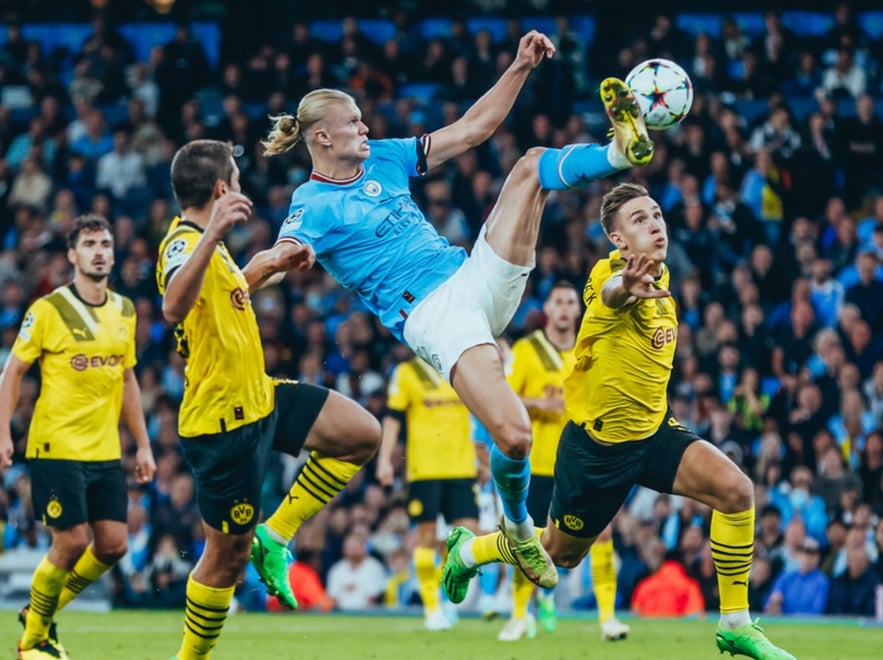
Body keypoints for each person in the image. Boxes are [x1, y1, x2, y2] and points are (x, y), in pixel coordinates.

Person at [263, 30, 654, 589]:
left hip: (471, 274)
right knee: (516, 437)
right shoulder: (313, 204)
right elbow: (280, 253)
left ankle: (619, 152)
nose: (366, 128)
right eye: (354, 122)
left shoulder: (387, 159)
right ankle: (516, 533)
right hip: (434, 316)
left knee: (530, 166)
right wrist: (249, 272)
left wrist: (519, 65)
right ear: (322, 136)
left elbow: (473, 129)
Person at [439, 184, 797, 660]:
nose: (655, 224)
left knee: (736, 491)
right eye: (640, 220)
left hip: (654, 434)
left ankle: (735, 622)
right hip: (597, 449)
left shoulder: (665, 278)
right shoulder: (609, 276)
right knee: (557, 560)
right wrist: (627, 288)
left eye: (656, 214)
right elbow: (611, 297)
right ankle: (471, 551)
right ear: (618, 240)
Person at [154, 139, 381, 660]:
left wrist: (274, 264)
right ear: (221, 190)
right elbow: (174, 307)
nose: (241, 186)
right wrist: (212, 235)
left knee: (361, 434)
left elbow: (230, 291)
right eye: (235, 178)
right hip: (221, 426)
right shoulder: (182, 244)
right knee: (223, 561)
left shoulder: (215, 253)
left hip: (260, 399)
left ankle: (275, 536)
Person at [0, 214, 157, 660]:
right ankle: (33, 643)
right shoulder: (48, 310)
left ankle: (39, 615)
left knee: (113, 546)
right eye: (89, 244)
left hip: (105, 450)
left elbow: (127, 380)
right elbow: (13, 372)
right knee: (71, 542)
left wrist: (142, 444)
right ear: (72, 255)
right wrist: (2, 432)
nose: (99, 251)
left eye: (105, 243)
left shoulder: (125, 310)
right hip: (55, 445)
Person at [498, 281, 629, 642]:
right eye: (558, 301)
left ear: (578, 309)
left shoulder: (591, 348)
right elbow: (503, 398)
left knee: (602, 532)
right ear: (548, 309)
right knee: (527, 540)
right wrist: (541, 404)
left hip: (582, 463)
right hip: (537, 461)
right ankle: (520, 615)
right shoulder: (526, 350)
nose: (565, 308)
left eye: (571, 302)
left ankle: (608, 619)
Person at [376, 350, 479, 631]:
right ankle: (432, 608)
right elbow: (393, 418)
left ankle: (447, 598)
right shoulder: (406, 373)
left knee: (468, 536)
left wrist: (483, 455)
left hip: (462, 466)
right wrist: (385, 459)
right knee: (426, 537)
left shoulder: (460, 367)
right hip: (425, 470)